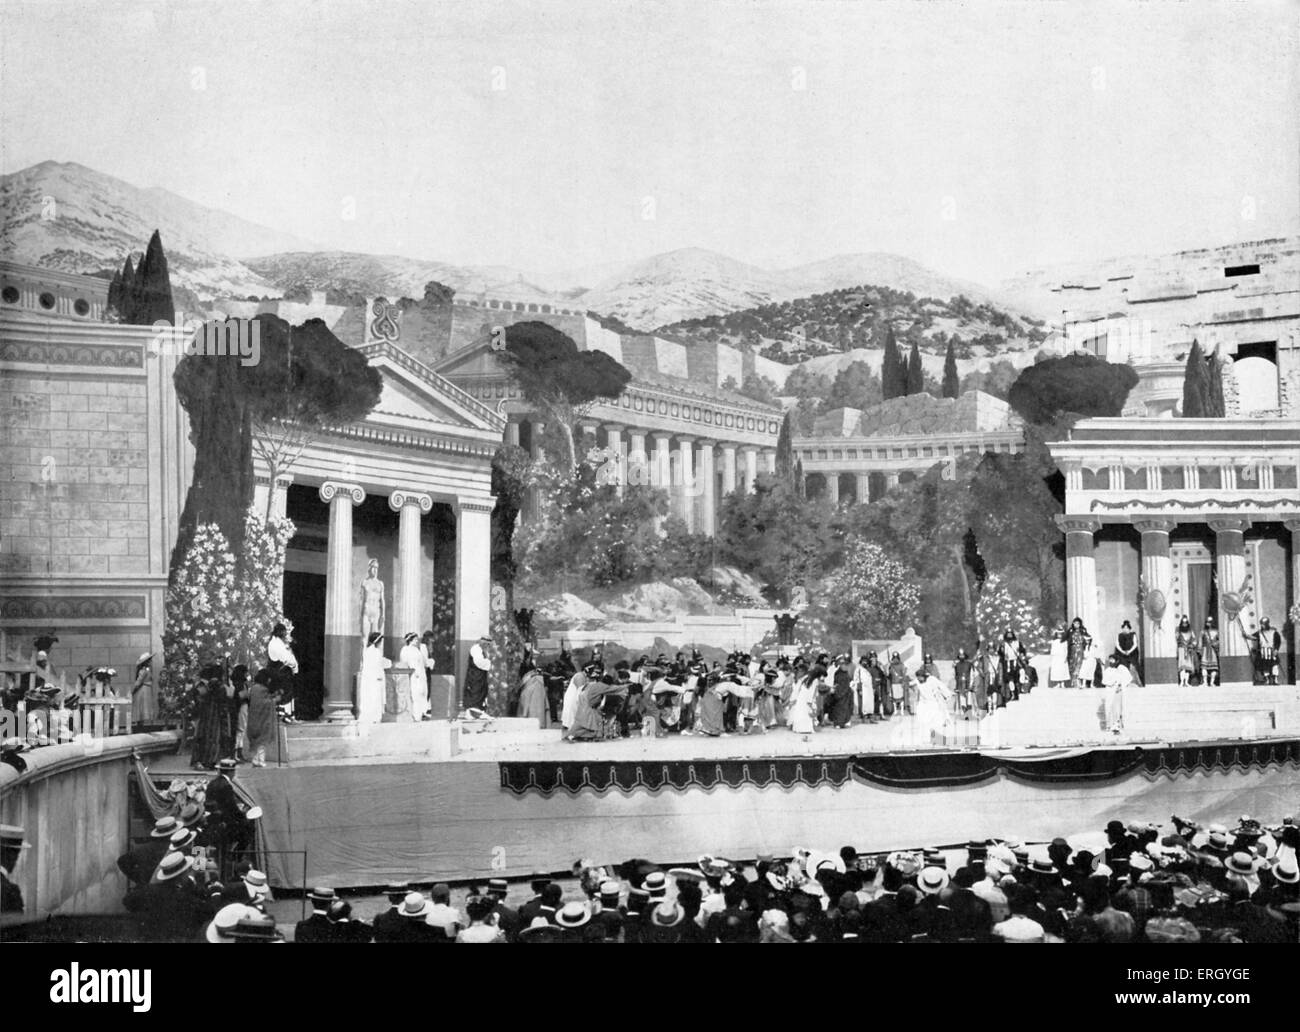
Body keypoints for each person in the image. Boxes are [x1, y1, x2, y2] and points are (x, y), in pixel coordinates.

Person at [190, 664, 230, 771]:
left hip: (206, 714)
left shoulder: (206, 685)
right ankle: (211, 760)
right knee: (213, 738)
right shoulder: (218, 686)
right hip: (215, 715)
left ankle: (203, 760)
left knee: (204, 737)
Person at [245, 668, 280, 767]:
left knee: (257, 741)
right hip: (263, 719)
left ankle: (257, 759)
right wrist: (274, 700)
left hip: (254, 717)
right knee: (262, 741)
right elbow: (264, 702)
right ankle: (259, 760)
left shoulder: (254, 688)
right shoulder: (261, 689)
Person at [266, 623, 301, 721]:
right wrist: (294, 667)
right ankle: (285, 714)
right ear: (280, 632)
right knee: (285, 693)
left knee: (287, 693)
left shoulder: (279, 643)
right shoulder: (276, 644)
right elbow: (287, 659)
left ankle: (287, 713)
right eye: (284, 632)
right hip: (280, 674)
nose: (286, 634)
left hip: (282, 673)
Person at [913, 672, 953, 744]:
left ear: (925, 676)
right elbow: (910, 683)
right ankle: (926, 739)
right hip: (925, 704)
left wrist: (947, 694)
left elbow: (941, 686)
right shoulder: (917, 681)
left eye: (921, 677)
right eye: (918, 677)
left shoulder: (932, 680)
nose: (919, 679)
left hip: (935, 703)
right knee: (924, 722)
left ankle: (940, 738)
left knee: (938, 721)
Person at [358, 632, 389, 724]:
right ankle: (375, 717)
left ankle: (370, 716)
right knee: (375, 697)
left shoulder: (368, 651)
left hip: (369, 678)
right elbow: (378, 665)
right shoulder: (375, 652)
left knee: (369, 697)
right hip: (375, 678)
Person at [400, 632, 429, 720]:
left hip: (421, 673)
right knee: (415, 693)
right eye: (415, 639)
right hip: (413, 674)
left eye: (417, 639)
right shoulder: (406, 649)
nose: (417, 641)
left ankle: (422, 713)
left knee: (422, 692)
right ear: (410, 640)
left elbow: (423, 661)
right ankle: (416, 715)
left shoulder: (417, 650)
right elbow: (404, 662)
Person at [1101, 656, 1131, 735]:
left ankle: (1118, 725)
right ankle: (1110, 726)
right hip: (1111, 691)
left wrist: (1121, 685)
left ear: (1117, 661)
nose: (1111, 662)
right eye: (1110, 660)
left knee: (1119, 708)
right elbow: (1104, 681)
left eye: (1113, 660)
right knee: (1109, 707)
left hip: (1120, 692)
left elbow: (1128, 678)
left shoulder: (1122, 669)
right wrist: (1112, 683)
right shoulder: (1107, 670)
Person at [462, 635, 492, 713]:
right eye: (487, 644)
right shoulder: (476, 649)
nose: (488, 646)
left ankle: (478, 712)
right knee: (474, 693)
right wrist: (489, 663)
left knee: (480, 693)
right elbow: (478, 662)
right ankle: (472, 712)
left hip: (480, 676)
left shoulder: (483, 650)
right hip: (474, 676)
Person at [517, 662, 550, 727]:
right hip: (539, 717)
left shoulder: (532, 680)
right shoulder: (538, 680)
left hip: (531, 716)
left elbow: (524, 699)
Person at [1252, 617, 1282, 686]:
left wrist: (1276, 650)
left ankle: (1275, 680)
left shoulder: (1274, 632)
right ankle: (1267, 680)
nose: (1262, 626)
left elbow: (1278, 641)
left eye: (1264, 624)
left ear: (1267, 624)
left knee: (1274, 665)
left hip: (1272, 651)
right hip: (1263, 652)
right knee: (1265, 666)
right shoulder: (1259, 633)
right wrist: (1246, 635)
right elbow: (1253, 637)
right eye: (1261, 624)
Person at [829, 655, 854, 728]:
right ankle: (837, 723)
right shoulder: (838, 673)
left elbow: (848, 682)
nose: (844, 666)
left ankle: (844, 722)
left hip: (846, 693)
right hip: (839, 693)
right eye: (842, 664)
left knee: (845, 708)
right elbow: (836, 683)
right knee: (838, 708)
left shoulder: (846, 673)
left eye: (845, 664)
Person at [1067, 617, 1093, 689]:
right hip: (1073, 649)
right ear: (1073, 623)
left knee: (1080, 664)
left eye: (1078, 623)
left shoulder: (1083, 631)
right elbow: (1067, 641)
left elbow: (1088, 638)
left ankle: (1079, 681)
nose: (1076, 624)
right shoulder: (1070, 631)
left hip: (1081, 649)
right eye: (1075, 623)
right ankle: (1073, 681)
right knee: (1073, 664)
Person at [1114, 621, 1142, 686]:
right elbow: (1117, 644)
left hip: (1132, 654)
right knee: (1123, 667)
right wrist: (1122, 651)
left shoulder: (1133, 634)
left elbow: (1135, 644)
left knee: (1133, 667)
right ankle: (1123, 682)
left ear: (1129, 628)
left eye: (1127, 628)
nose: (1125, 629)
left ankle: (1136, 682)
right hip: (1122, 654)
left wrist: (1129, 651)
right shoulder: (1119, 635)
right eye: (1124, 628)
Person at [1175, 616, 1199, 688]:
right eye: (1183, 623)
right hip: (1181, 650)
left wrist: (1192, 645)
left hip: (1189, 651)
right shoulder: (1178, 631)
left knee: (1188, 668)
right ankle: (1182, 682)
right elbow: (1176, 639)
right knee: (1182, 667)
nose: (1184, 624)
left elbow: (1195, 641)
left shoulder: (1191, 632)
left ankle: (1186, 682)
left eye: (1186, 623)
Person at [1200, 616, 1221, 687]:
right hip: (1206, 650)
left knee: (1213, 667)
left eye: (1209, 622)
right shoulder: (1203, 632)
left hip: (1211, 650)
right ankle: (1205, 682)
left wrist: (1215, 644)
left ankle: (1212, 682)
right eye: (1207, 622)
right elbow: (1200, 642)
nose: (1208, 623)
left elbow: (1219, 641)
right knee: (1204, 667)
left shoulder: (1216, 632)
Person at [952, 648, 973, 718]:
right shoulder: (957, 665)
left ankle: (969, 713)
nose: (961, 657)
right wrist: (956, 686)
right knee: (962, 699)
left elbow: (972, 673)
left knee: (969, 699)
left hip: (968, 683)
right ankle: (965, 714)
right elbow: (955, 675)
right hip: (960, 684)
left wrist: (971, 684)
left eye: (963, 655)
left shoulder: (969, 664)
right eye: (960, 655)